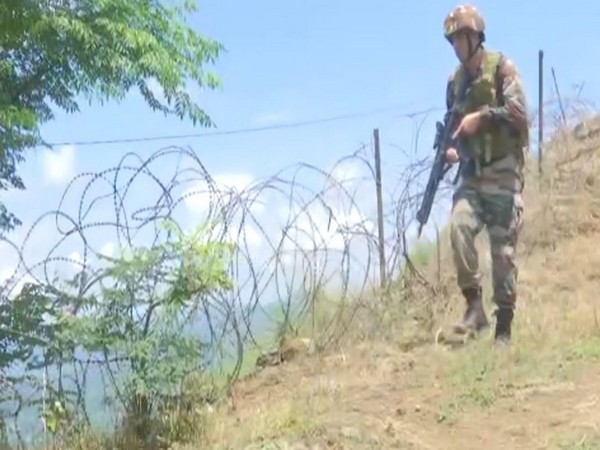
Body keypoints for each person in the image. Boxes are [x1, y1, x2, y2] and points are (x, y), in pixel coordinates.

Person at [441, 4, 530, 345]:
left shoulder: (501, 69)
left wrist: (482, 117)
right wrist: (452, 152)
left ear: (474, 37)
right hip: (472, 174)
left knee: (502, 252)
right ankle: (474, 306)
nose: (456, 47)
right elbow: (455, 128)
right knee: (459, 228)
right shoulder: (455, 83)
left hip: (504, 172)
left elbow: (519, 114)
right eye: (452, 41)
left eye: (459, 39)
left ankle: (503, 325)